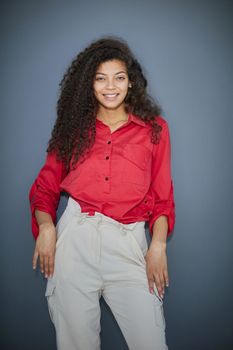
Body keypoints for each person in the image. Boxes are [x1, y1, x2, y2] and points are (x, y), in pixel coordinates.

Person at [29, 36, 175, 350]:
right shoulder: (72, 128)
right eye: (100, 78)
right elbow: (46, 186)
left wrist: (158, 245)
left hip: (128, 242)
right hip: (75, 241)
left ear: (131, 82)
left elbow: (163, 197)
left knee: (150, 342)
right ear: (89, 85)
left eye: (119, 77)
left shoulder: (155, 130)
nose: (111, 86)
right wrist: (45, 226)